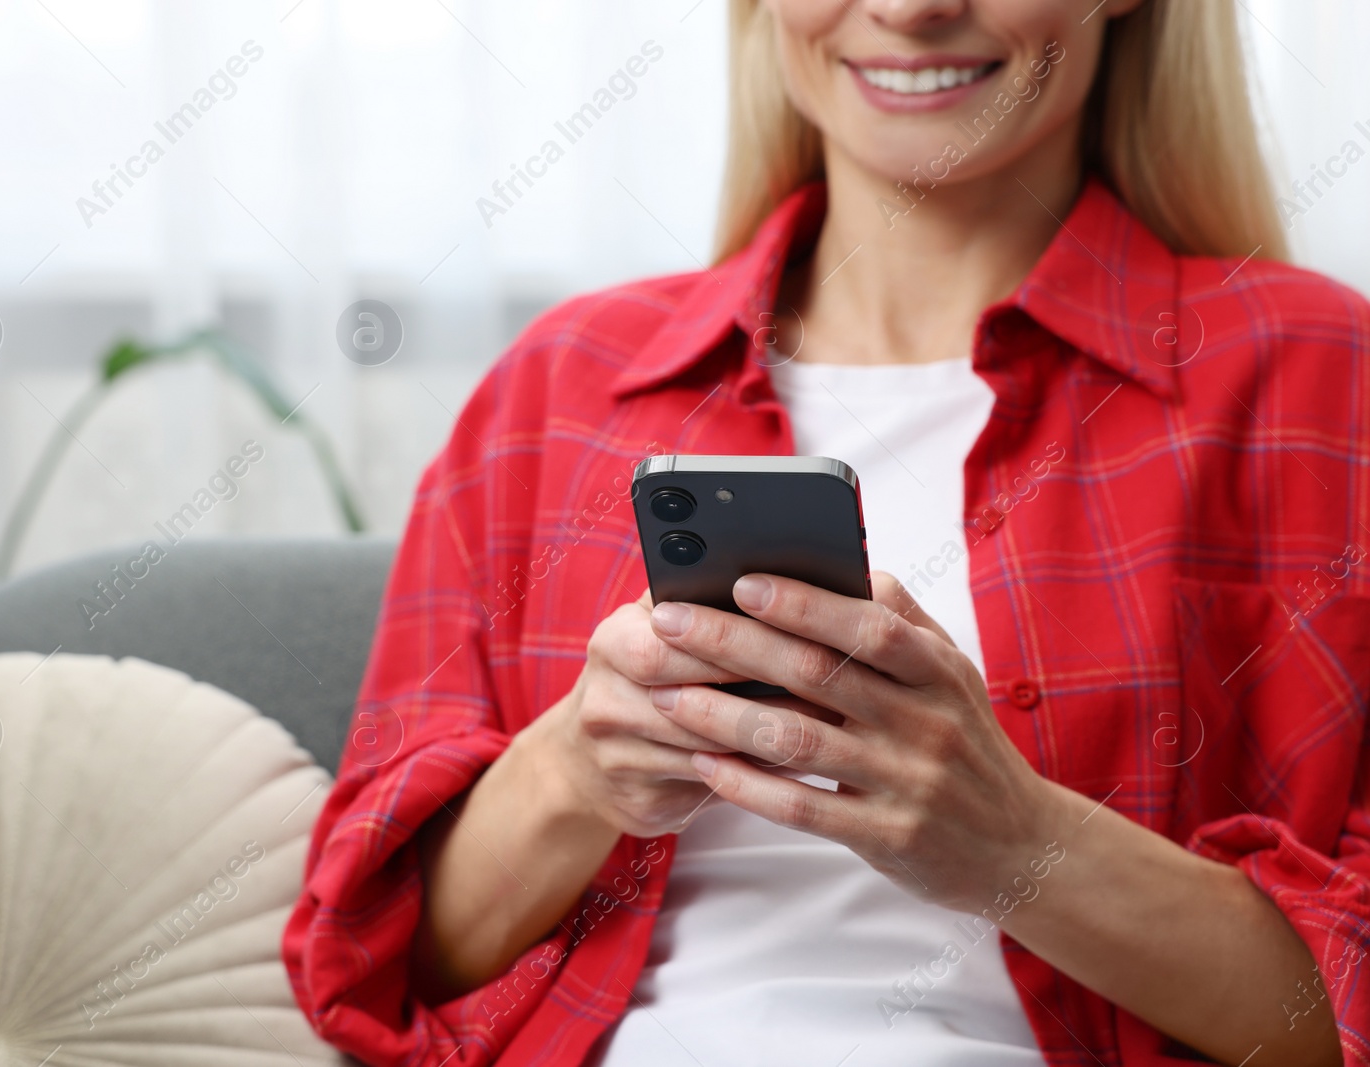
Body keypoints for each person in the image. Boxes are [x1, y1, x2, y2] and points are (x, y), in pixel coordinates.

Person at [285, 1, 1369, 1064]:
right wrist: (572, 771)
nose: (910, 9)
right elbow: (383, 966)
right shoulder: (560, 386)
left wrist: (1015, 842)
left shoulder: (1319, 379)